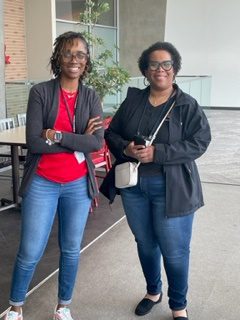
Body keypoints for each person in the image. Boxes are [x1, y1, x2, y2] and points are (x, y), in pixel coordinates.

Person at [101, 42, 211, 320]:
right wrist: (126, 148)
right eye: (153, 65)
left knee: (174, 251)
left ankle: (178, 305)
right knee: (145, 243)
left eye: (166, 65)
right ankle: (153, 292)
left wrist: (158, 153)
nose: (160, 70)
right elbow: (111, 133)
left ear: (174, 70)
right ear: (145, 70)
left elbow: (200, 141)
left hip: (172, 188)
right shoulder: (133, 100)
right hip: (135, 187)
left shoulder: (186, 104)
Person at [4, 31, 104, 320]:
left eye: (81, 54)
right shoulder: (41, 92)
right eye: (68, 53)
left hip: (77, 185)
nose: (74, 59)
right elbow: (34, 142)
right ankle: (15, 307)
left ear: (87, 61)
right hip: (42, 184)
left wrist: (57, 135)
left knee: (71, 249)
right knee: (30, 249)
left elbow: (96, 142)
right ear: (58, 57)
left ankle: (63, 306)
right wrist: (76, 138)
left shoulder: (90, 96)